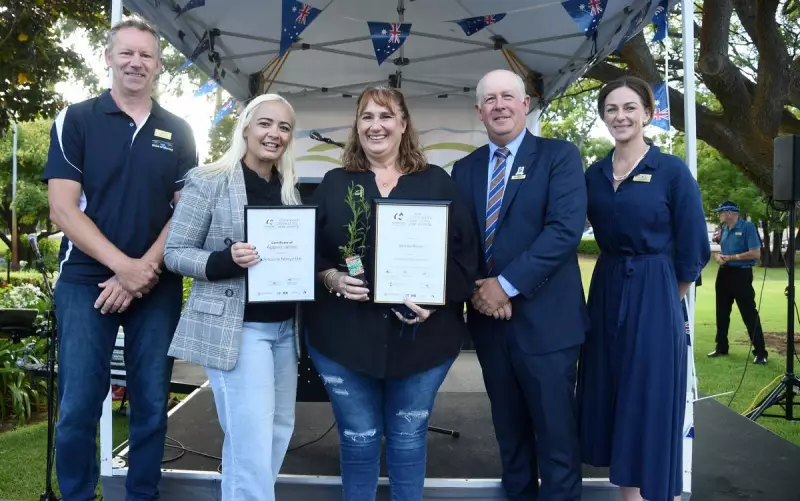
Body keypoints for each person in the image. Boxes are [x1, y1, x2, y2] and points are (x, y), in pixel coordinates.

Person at [42, 17, 197, 500]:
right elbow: (62, 209)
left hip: (157, 283)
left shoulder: (179, 130)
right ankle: (78, 495)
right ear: (107, 57)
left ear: (158, 66)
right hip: (85, 280)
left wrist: (142, 270)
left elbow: (186, 213)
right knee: (79, 406)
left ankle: (141, 495)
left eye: (146, 55)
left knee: (151, 404)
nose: (135, 62)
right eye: (126, 53)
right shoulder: (77, 119)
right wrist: (123, 268)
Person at [304, 85, 480, 501]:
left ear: (403, 125)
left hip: (423, 342)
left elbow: (466, 258)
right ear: (357, 126)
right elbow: (309, 253)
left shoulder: (438, 183)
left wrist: (435, 299)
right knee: (359, 439)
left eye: (386, 116)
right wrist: (330, 277)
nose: (376, 125)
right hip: (342, 341)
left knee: (407, 439)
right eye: (367, 117)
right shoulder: (334, 184)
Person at [450, 69, 588, 501]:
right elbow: (461, 242)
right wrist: (479, 290)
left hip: (547, 327)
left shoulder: (559, 157)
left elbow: (564, 232)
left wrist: (505, 286)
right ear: (479, 111)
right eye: (489, 100)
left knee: (557, 441)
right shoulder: (465, 169)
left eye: (508, 97)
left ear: (526, 104)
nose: (499, 106)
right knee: (510, 440)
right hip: (491, 327)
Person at [577, 75, 711, 501]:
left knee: (649, 396)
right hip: (607, 285)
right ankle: (628, 494)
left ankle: (657, 494)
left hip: (657, 288)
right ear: (604, 117)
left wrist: (666, 301)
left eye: (630, 108)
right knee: (612, 390)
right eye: (612, 109)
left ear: (648, 114)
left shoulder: (671, 171)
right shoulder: (594, 173)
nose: (621, 116)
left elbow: (693, 247)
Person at [163, 93, 302, 501]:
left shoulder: (289, 188)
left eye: (284, 127)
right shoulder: (208, 180)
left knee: (277, 431)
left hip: (283, 329)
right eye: (265, 123)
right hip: (236, 330)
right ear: (245, 127)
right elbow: (175, 253)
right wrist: (225, 259)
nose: (274, 133)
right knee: (251, 439)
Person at [708, 200, 768, 364]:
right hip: (724, 273)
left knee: (749, 313)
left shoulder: (747, 227)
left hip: (741, 274)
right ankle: (721, 347)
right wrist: (719, 257)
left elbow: (755, 254)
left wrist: (733, 258)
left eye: (721, 212)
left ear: (729, 213)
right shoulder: (724, 229)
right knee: (721, 312)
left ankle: (761, 353)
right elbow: (724, 252)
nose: (719, 214)